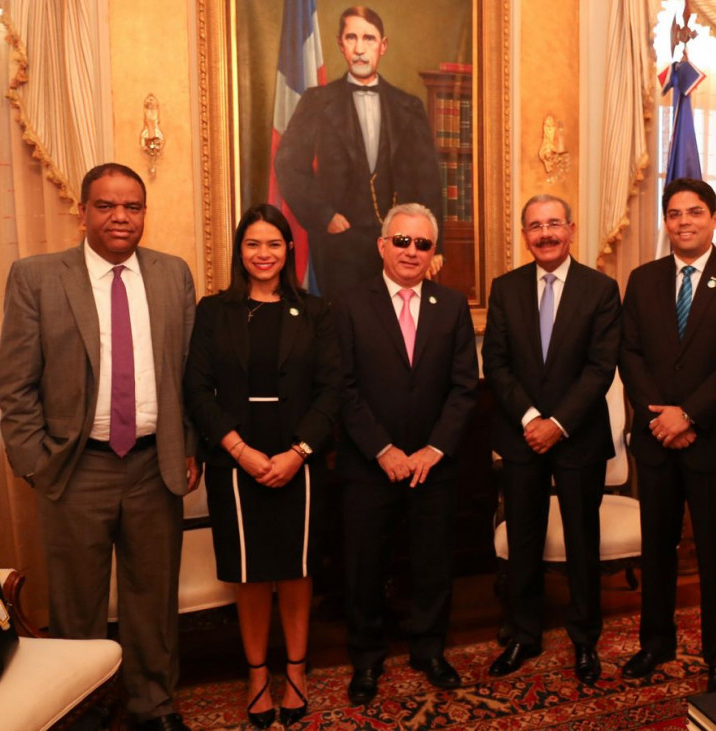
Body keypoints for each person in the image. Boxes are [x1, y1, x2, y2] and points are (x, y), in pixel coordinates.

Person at [0, 163, 198, 731]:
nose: (120, 217)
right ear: (81, 212)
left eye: (132, 207)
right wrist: (37, 462)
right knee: (77, 602)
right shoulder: (38, 277)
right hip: (76, 466)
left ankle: (153, 705)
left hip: (156, 465)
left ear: (143, 215)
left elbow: (189, 375)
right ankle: (81, 710)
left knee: (153, 600)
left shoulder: (171, 275)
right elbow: (14, 384)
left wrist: (190, 447)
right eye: (106, 206)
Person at [183, 204, 340, 728]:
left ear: (288, 250)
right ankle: (256, 675)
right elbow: (197, 390)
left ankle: (295, 671)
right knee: (249, 574)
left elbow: (331, 391)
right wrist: (239, 450)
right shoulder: (214, 311)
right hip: (236, 459)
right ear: (239, 251)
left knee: (295, 571)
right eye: (253, 244)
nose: (264, 253)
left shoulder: (316, 312)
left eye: (274, 243)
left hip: (301, 459)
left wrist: (298, 453)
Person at [618, 177, 716, 692]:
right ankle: (654, 643)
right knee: (656, 549)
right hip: (657, 442)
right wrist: (661, 417)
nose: (684, 221)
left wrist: (690, 415)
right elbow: (630, 354)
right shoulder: (642, 279)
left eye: (695, 212)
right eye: (675, 213)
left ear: (715, 219)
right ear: (665, 221)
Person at [334, 202, 478, 704]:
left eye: (422, 244)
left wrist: (433, 449)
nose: (411, 251)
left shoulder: (452, 305)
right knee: (365, 566)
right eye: (402, 241)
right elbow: (343, 388)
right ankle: (367, 659)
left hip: (433, 466)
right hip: (369, 464)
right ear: (382, 245)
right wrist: (384, 449)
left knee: (433, 562)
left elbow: (464, 389)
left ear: (432, 252)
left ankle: (429, 649)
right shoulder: (348, 304)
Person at [482, 194, 622, 685]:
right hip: (521, 437)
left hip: (578, 436)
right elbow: (495, 363)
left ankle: (585, 639)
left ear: (571, 228)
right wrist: (529, 418)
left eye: (554, 224)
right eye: (535, 225)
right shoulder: (505, 288)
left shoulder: (601, 289)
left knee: (584, 540)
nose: (545, 233)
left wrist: (557, 422)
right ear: (525, 235)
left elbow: (600, 368)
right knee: (523, 538)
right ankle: (523, 634)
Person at [274, 5, 443, 299]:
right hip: (340, 249)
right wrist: (325, 216)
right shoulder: (317, 101)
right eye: (352, 38)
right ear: (341, 45)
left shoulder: (409, 106)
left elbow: (428, 181)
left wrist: (435, 246)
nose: (361, 49)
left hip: (402, 247)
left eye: (369, 39)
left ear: (383, 45)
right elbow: (288, 164)